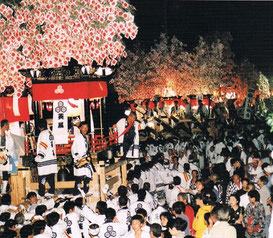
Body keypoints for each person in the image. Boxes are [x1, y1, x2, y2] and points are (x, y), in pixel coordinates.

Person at [35, 119, 57, 197]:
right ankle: (51, 191)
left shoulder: (42, 134)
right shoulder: (50, 132)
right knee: (51, 176)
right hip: (52, 158)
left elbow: (43, 145)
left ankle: (41, 193)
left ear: (39, 127)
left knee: (42, 177)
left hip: (45, 159)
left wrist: (40, 156)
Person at [71, 121, 94, 195]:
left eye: (86, 127)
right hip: (80, 159)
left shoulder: (85, 137)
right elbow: (73, 148)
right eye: (83, 128)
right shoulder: (78, 137)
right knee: (79, 178)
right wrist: (78, 157)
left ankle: (85, 190)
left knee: (87, 176)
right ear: (80, 128)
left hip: (85, 159)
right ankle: (76, 193)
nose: (85, 129)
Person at [0, 119, 15, 194]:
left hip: (5, 154)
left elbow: (11, 144)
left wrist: (8, 151)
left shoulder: (8, 134)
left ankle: (4, 189)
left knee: (5, 171)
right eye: (7, 125)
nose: (8, 126)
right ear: (4, 125)